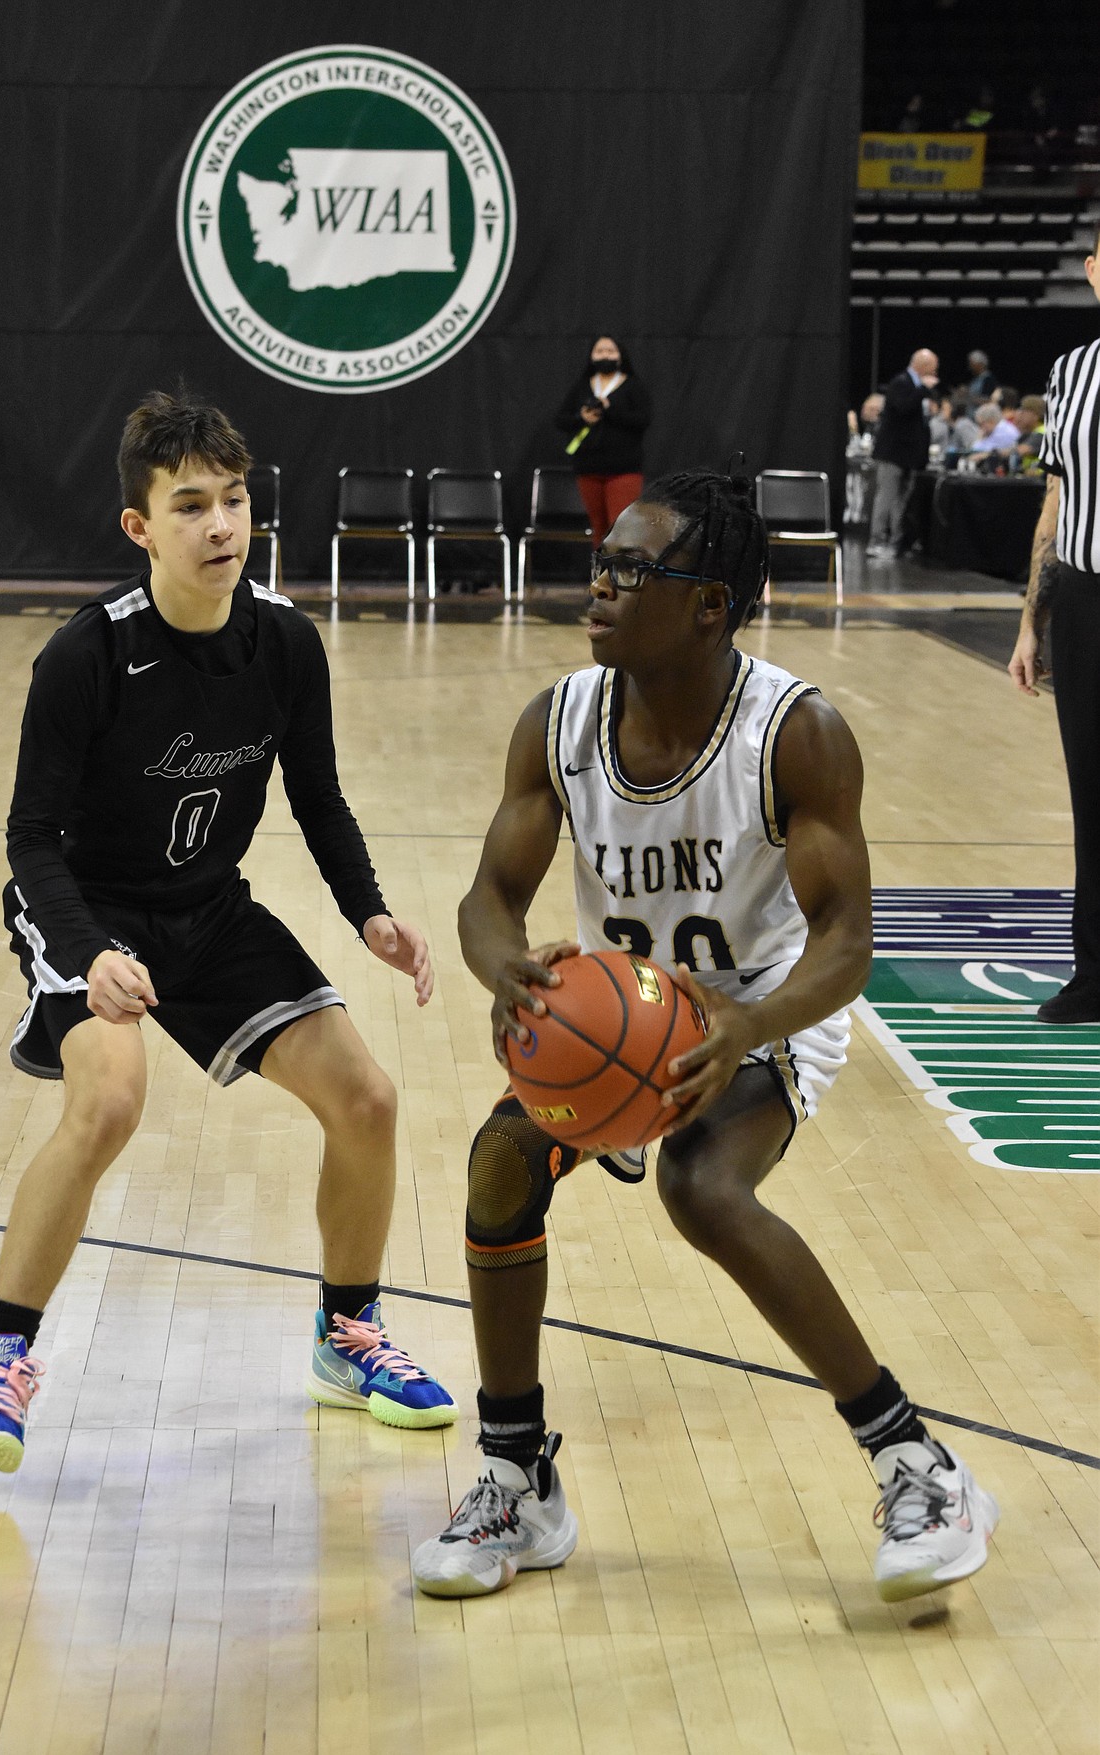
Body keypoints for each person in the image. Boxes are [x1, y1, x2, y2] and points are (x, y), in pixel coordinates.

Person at [411, 469, 998, 1602]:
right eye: (603, 560)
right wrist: (507, 973)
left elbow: (848, 941)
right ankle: (517, 1477)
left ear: (710, 604)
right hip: (616, 1017)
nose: (602, 585)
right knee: (498, 1165)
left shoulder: (797, 732)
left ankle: (917, 1460)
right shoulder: (562, 721)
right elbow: (491, 894)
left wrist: (751, 1024)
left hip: (766, 1005)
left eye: (633, 570)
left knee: (703, 1188)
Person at [0, 391, 457, 1473]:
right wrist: (88, 954)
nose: (222, 526)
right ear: (140, 528)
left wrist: (372, 914)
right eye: (190, 506)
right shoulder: (86, 657)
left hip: (209, 911)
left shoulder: (285, 644)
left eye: (234, 500)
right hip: (84, 908)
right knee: (110, 1103)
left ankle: (347, 1336)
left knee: (367, 1099)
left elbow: (317, 793)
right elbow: (30, 841)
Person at [1008, 232, 1100, 1024]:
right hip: (1082, 599)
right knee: (1090, 788)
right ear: (1092, 269)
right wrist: (1029, 622)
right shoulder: (1070, 372)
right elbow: (1054, 504)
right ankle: (1093, 972)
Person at [555, 335, 652, 547]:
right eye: (600, 351)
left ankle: (621, 575)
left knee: (619, 526)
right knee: (598, 528)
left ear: (621, 356)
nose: (605, 355)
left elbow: (643, 420)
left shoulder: (632, 385)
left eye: (610, 351)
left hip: (623, 469)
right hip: (588, 467)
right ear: (591, 356)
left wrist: (611, 409)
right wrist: (582, 418)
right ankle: (601, 575)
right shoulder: (583, 386)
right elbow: (560, 420)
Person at [866, 348, 939, 561]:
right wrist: (922, 390)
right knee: (886, 499)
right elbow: (902, 408)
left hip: (910, 456)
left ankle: (897, 542)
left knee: (901, 502)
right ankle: (876, 541)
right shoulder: (902, 382)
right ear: (923, 365)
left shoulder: (920, 388)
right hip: (892, 453)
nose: (936, 371)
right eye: (933, 366)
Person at [1013, 394, 1047, 471]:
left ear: (1036, 415)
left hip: (1040, 479)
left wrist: (995, 454)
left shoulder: (1041, 432)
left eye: (1023, 412)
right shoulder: (1031, 432)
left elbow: (1023, 450)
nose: (1019, 415)